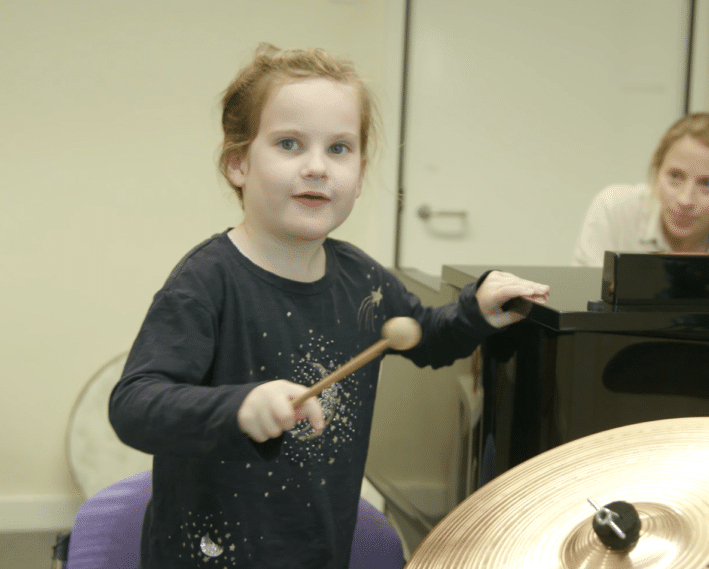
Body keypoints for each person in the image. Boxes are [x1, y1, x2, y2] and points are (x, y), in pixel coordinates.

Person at [108, 44, 549, 569]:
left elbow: (428, 335)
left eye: (340, 149)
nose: (317, 167)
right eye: (289, 144)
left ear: (361, 173)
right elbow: (134, 405)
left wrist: (476, 310)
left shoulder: (361, 280)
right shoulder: (206, 281)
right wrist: (238, 406)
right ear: (238, 164)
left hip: (317, 550)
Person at [572, 112, 709, 267]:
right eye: (675, 177)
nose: (685, 200)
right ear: (657, 171)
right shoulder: (614, 213)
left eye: (706, 184)